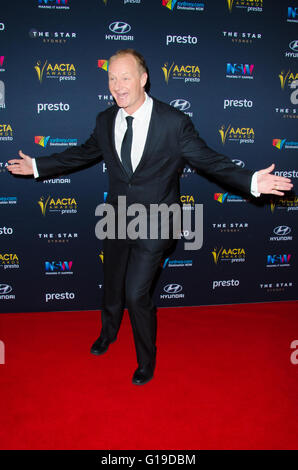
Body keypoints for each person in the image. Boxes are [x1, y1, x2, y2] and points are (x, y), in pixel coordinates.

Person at [7, 49, 293, 385]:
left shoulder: (173, 123)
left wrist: (251, 181)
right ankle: (108, 333)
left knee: (135, 294)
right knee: (111, 286)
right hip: (115, 218)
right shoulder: (105, 120)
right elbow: (82, 154)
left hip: (157, 220)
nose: (117, 85)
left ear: (143, 79)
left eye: (125, 77)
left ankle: (146, 359)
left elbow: (209, 161)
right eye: (112, 78)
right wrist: (39, 165)